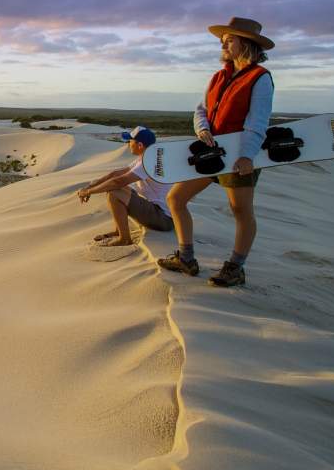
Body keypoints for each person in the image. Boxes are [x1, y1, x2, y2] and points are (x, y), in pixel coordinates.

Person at [157, 17, 275, 287]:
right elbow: (201, 109)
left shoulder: (260, 78)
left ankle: (236, 267)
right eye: (223, 40)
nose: (223, 44)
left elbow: (257, 121)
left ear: (246, 44)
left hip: (239, 155)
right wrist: (202, 130)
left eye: (229, 39)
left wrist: (246, 155)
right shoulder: (219, 76)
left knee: (241, 210)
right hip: (209, 153)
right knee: (176, 198)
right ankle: (186, 258)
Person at [77, 125, 173, 246]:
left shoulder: (148, 162)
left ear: (140, 145)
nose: (128, 144)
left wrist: (88, 192)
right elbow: (116, 174)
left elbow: (118, 181)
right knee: (116, 189)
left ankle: (125, 239)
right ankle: (119, 231)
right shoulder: (147, 157)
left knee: (114, 192)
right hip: (160, 214)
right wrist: (90, 186)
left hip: (163, 219)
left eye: (130, 141)